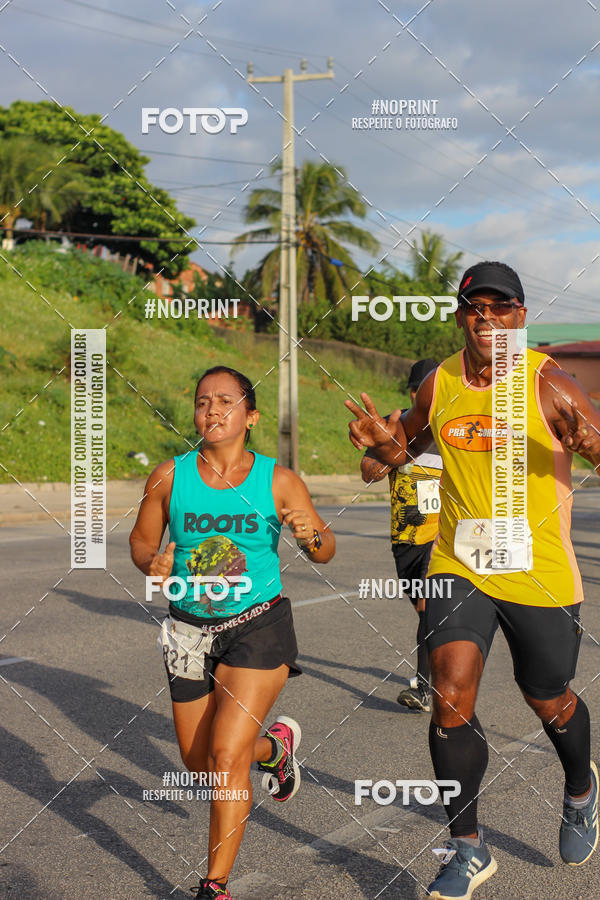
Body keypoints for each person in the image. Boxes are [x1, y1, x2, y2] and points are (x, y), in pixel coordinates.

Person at [346, 261, 600, 900]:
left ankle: (580, 790)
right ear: (460, 316)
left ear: (520, 316)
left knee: (548, 696)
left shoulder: (550, 383)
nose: (487, 318)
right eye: (474, 307)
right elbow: (395, 456)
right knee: (450, 694)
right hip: (458, 564)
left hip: (538, 571)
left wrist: (591, 445)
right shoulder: (441, 381)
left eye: (501, 306)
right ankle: (468, 848)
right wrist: (381, 445)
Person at [130, 365, 335, 900]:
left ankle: (215, 886)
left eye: (225, 401)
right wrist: (153, 562)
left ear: (251, 416)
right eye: (203, 401)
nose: (212, 410)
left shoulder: (278, 480)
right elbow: (141, 542)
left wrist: (311, 536)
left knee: (225, 759)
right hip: (188, 630)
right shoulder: (169, 477)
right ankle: (273, 750)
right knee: (200, 764)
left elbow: (325, 550)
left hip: (257, 625)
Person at [360, 359, 441, 712]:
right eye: (420, 390)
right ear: (412, 393)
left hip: (444, 537)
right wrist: (380, 460)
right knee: (427, 614)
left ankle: (424, 688)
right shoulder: (397, 429)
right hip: (406, 539)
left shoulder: (455, 429)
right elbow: (367, 470)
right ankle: (444, 670)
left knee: (429, 605)